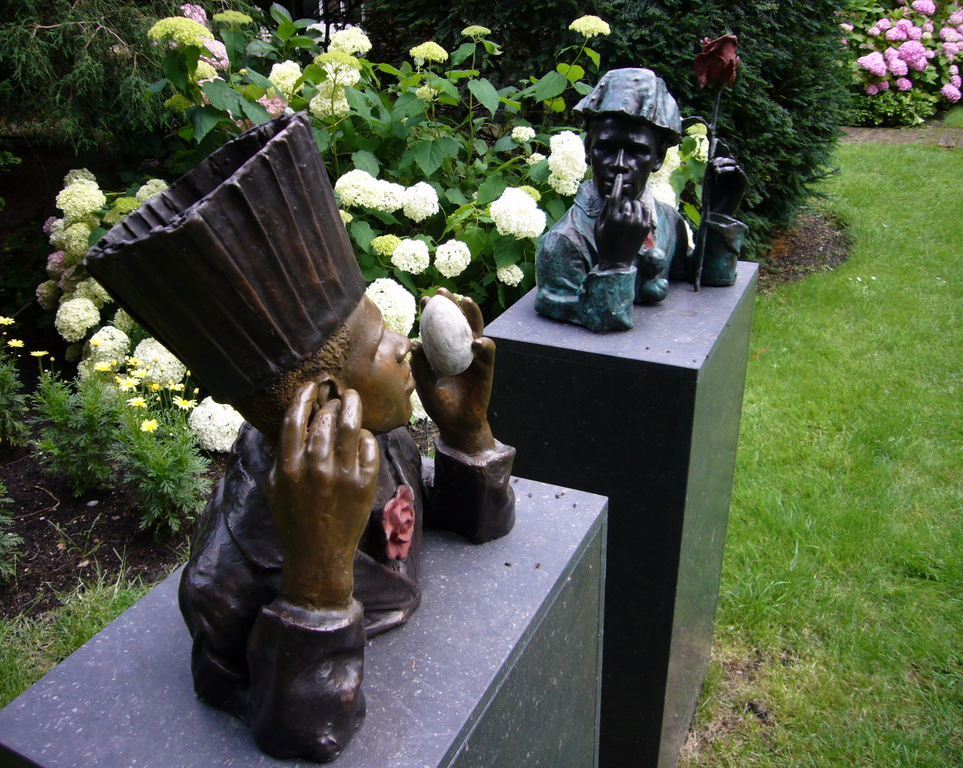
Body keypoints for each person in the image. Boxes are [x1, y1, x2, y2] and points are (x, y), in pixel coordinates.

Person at [84, 113, 516, 763]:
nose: (407, 346)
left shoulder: (383, 443)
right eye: (379, 346)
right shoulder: (227, 579)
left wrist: (468, 436)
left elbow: (470, 528)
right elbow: (299, 730)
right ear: (327, 402)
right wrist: (316, 576)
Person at [535, 68, 748, 332]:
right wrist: (614, 262)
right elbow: (599, 317)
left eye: (637, 152)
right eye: (607, 148)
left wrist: (720, 214)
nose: (620, 164)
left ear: (657, 158)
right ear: (589, 149)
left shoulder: (668, 219)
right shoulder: (564, 242)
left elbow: (701, 275)